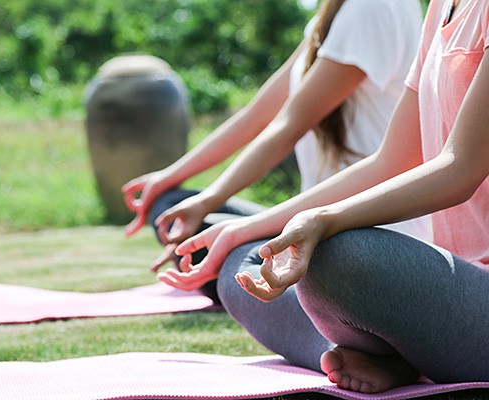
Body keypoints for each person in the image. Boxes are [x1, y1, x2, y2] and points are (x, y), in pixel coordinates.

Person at [160, 0, 489, 393]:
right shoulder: (442, 7)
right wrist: (242, 228)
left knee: (333, 256)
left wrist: (324, 220)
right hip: (451, 282)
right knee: (242, 266)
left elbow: (461, 168)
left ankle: (388, 353)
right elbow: (388, 162)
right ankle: (367, 354)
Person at [122, 0, 431, 303]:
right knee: (172, 206)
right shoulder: (332, 12)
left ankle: (339, 334)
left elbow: (287, 127)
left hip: (368, 233)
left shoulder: (372, 8)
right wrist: (170, 178)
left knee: (236, 272)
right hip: (311, 223)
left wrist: (213, 201)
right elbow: (257, 115)